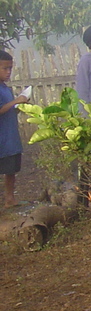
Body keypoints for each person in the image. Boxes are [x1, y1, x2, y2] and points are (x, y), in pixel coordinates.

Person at [0, 49, 30, 208]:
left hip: (10, 136)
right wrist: (15, 101)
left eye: (10, 68)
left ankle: (9, 199)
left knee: (11, 170)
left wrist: (19, 106)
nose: (8, 72)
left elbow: (7, 109)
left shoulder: (5, 88)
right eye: (4, 68)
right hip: (2, 138)